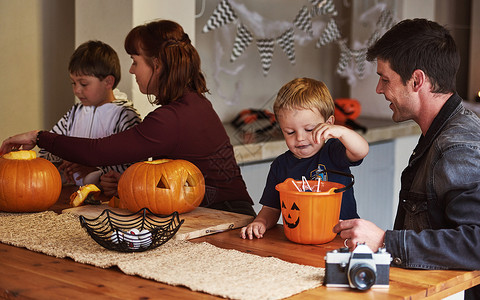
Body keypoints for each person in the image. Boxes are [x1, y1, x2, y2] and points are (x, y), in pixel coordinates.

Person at [0, 20, 256, 217]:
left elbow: (97, 152)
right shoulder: (194, 103)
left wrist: (38, 137)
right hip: (220, 212)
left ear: (157, 65)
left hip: (225, 218)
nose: (132, 70)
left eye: (135, 61)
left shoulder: (171, 118)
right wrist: (121, 183)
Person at [331, 19, 480, 299]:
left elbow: (476, 243)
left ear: (417, 80)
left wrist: (386, 241)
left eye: (385, 79)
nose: (378, 89)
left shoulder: (458, 146)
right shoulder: (441, 131)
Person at [241, 78, 369, 239]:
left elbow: (361, 151)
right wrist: (260, 222)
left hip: (343, 238)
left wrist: (342, 132)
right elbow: (271, 209)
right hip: (300, 238)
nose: (300, 138)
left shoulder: (334, 151)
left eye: (309, 129)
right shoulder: (280, 166)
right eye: (290, 132)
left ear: (328, 124)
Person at [39, 40, 141, 186]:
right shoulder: (75, 113)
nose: (76, 90)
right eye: (73, 83)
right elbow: (47, 149)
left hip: (110, 202)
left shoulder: (125, 116)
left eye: (84, 84)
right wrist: (65, 158)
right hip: (74, 197)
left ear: (108, 82)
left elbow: (135, 169)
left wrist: (94, 170)